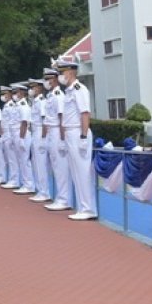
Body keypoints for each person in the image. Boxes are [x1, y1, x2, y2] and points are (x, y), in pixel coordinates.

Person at [57, 59, 97, 221]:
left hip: (78, 133)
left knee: (83, 172)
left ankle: (88, 208)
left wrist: (83, 136)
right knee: (76, 172)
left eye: (62, 73)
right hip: (70, 133)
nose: (60, 76)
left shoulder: (80, 89)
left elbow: (85, 113)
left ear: (70, 72)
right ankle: (83, 207)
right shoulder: (69, 91)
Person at [42, 67, 72, 212]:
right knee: (55, 166)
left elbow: (62, 118)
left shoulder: (59, 95)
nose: (46, 82)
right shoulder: (50, 96)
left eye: (48, 79)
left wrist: (62, 139)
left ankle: (64, 199)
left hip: (56, 132)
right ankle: (60, 197)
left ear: (54, 79)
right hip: (51, 132)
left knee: (60, 168)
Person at [27, 79, 53, 203]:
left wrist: (43, 138)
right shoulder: (35, 101)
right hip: (35, 132)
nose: (32, 90)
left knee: (41, 165)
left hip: (40, 133)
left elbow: (44, 120)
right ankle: (40, 190)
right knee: (36, 164)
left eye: (34, 87)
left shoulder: (42, 101)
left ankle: (44, 192)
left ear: (40, 88)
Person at [11, 84, 35, 195]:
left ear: (22, 93)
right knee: (21, 160)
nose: (15, 94)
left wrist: (21, 138)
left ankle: (29, 185)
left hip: (23, 134)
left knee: (25, 161)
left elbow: (24, 123)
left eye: (17, 92)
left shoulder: (24, 105)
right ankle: (25, 183)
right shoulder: (18, 105)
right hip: (17, 133)